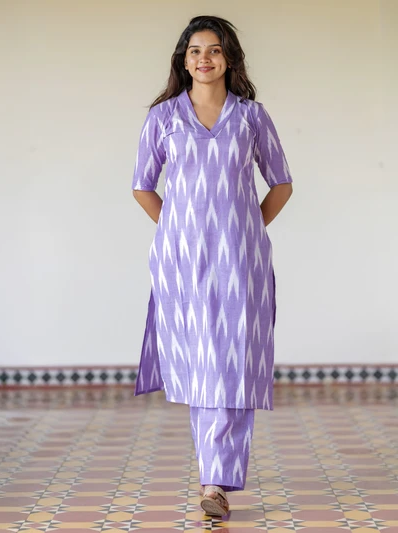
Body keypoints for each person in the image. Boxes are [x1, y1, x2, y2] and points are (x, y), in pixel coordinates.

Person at [132, 15, 293, 517]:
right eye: (195, 50)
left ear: (229, 59)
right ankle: (213, 479)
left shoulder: (251, 117)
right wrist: (178, 230)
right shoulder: (163, 117)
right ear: (184, 60)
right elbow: (142, 186)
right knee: (204, 362)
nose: (205, 58)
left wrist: (247, 228)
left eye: (215, 50)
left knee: (234, 362)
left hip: (241, 261)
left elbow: (281, 183)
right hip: (182, 262)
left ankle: (214, 483)